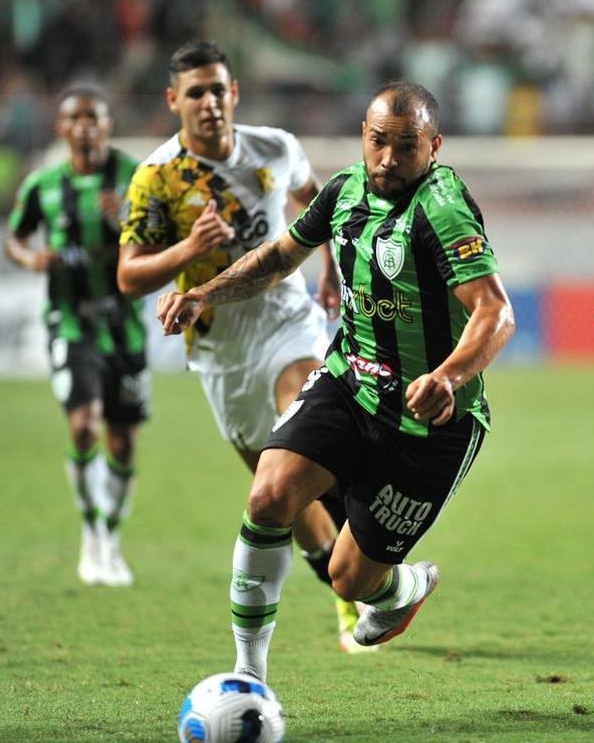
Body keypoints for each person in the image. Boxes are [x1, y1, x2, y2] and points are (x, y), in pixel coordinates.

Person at [154, 81, 514, 683]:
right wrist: (202, 295)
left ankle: (405, 586)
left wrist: (448, 376)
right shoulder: (344, 190)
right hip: (350, 383)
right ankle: (248, 677)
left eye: (406, 147)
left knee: (353, 580)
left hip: (431, 425)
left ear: (434, 147)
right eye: (378, 142)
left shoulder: (441, 208)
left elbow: (495, 312)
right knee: (269, 497)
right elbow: (277, 258)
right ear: (363, 137)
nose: (389, 160)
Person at [116, 41, 367, 651]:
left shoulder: (275, 148)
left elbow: (314, 201)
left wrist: (330, 265)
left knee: (305, 422)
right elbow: (128, 275)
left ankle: (367, 570)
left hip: (287, 319)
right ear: (174, 101)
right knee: (276, 489)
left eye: (217, 89)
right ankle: (345, 592)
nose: (209, 101)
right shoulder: (156, 178)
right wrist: (187, 249)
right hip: (219, 350)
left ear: (234, 93)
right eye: (195, 92)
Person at [5, 84, 148, 588]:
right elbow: (14, 238)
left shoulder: (136, 177)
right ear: (61, 128)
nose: (85, 125)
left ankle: (112, 535)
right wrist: (31, 259)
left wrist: (129, 220)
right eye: (75, 118)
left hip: (124, 322)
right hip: (70, 320)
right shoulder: (44, 184)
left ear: (108, 124)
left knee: (123, 441)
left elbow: (166, 235)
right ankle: (93, 537)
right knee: (84, 427)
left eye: (95, 117)